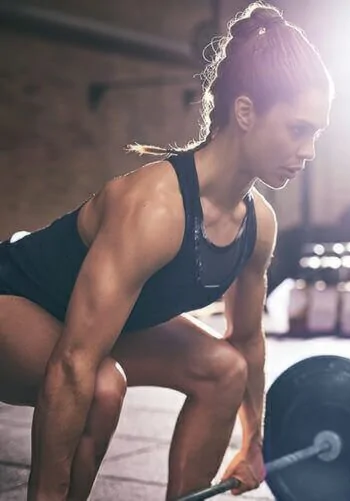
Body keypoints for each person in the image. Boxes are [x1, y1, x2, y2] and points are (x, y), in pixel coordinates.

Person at [0, 3, 333, 500]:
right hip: (15, 299)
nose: (309, 151)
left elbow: (246, 341)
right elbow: (73, 363)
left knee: (225, 371)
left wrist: (254, 444)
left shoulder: (258, 224)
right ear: (245, 112)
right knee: (100, 388)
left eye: (317, 134)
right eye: (298, 129)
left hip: (95, 325)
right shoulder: (155, 209)